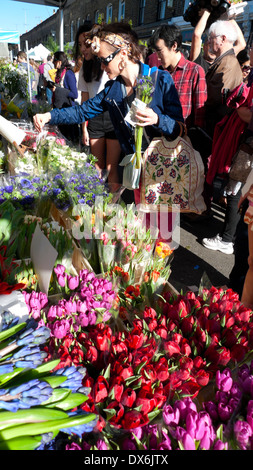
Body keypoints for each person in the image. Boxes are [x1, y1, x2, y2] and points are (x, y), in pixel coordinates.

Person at [33, 22, 184, 208]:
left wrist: (158, 119)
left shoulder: (160, 80)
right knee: (145, 228)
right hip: (137, 174)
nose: (102, 67)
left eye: (105, 60)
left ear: (122, 54)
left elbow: (180, 129)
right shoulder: (112, 90)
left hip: (163, 173)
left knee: (163, 228)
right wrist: (49, 116)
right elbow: (82, 111)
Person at [74, 25, 122, 192]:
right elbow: (84, 101)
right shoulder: (83, 70)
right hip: (94, 118)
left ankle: (114, 206)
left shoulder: (109, 63)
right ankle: (97, 202)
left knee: (112, 167)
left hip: (112, 116)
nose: (83, 49)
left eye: (85, 44)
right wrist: (84, 128)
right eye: (79, 45)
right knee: (97, 166)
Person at [149, 24, 207, 131]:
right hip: (160, 138)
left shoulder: (195, 71)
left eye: (160, 51)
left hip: (184, 139)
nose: (157, 57)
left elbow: (200, 114)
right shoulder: (158, 73)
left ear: (174, 46)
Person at [204, 19, 244, 139]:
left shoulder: (228, 63)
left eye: (211, 37)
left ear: (223, 39)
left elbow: (214, 97)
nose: (209, 41)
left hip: (217, 130)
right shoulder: (224, 60)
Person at [50, 51, 79, 143]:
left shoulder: (69, 73)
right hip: (60, 108)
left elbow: (74, 94)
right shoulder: (60, 73)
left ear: (59, 61)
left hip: (67, 110)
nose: (53, 63)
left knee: (67, 139)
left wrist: (58, 90)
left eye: (54, 60)